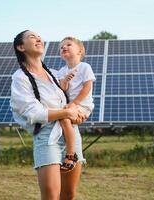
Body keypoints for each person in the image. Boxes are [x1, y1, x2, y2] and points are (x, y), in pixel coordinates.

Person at [10, 30, 86, 200]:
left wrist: (79, 113)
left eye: (39, 36)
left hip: (71, 134)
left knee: (68, 194)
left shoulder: (54, 74)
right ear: (21, 47)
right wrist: (67, 112)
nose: (38, 38)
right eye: (32, 37)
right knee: (51, 195)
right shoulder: (20, 78)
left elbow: (73, 97)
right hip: (47, 136)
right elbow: (33, 113)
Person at [55, 37, 95, 172]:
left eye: (68, 45)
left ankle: (71, 155)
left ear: (80, 51)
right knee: (64, 119)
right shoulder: (61, 71)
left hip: (82, 105)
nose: (64, 47)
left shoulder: (85, 67)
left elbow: (87, 87)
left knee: (64, 118)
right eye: (61, 47)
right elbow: (63, 88)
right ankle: (69, 152)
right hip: (71, 105)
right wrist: (65, 80)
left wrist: (74, 103)